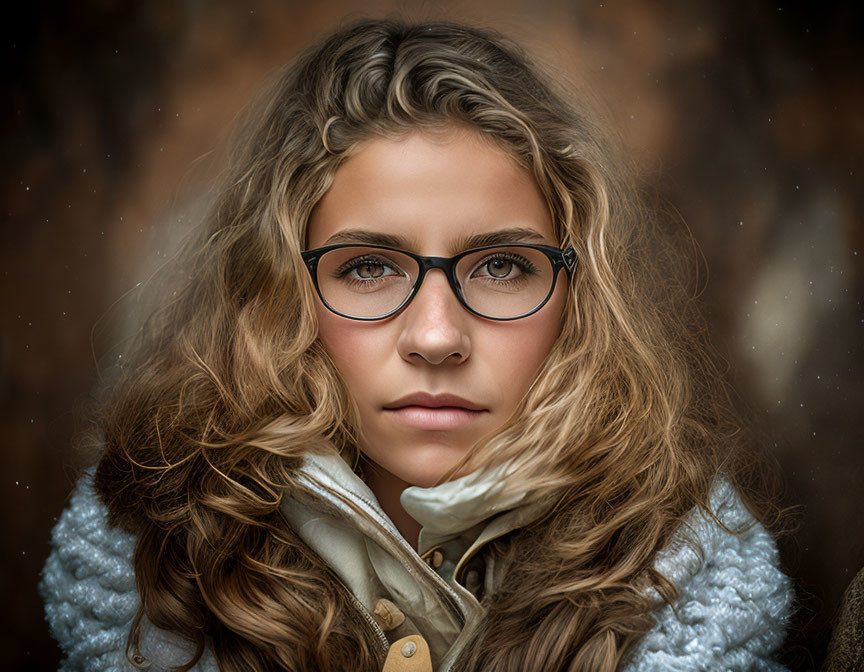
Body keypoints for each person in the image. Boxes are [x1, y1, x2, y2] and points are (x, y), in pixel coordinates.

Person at [39, 16, 796, 672]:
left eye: (503, 266)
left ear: (581, 292)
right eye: (368, 267)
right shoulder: (148, 572)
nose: (436, 338)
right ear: (277, 291)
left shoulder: (682, 579)